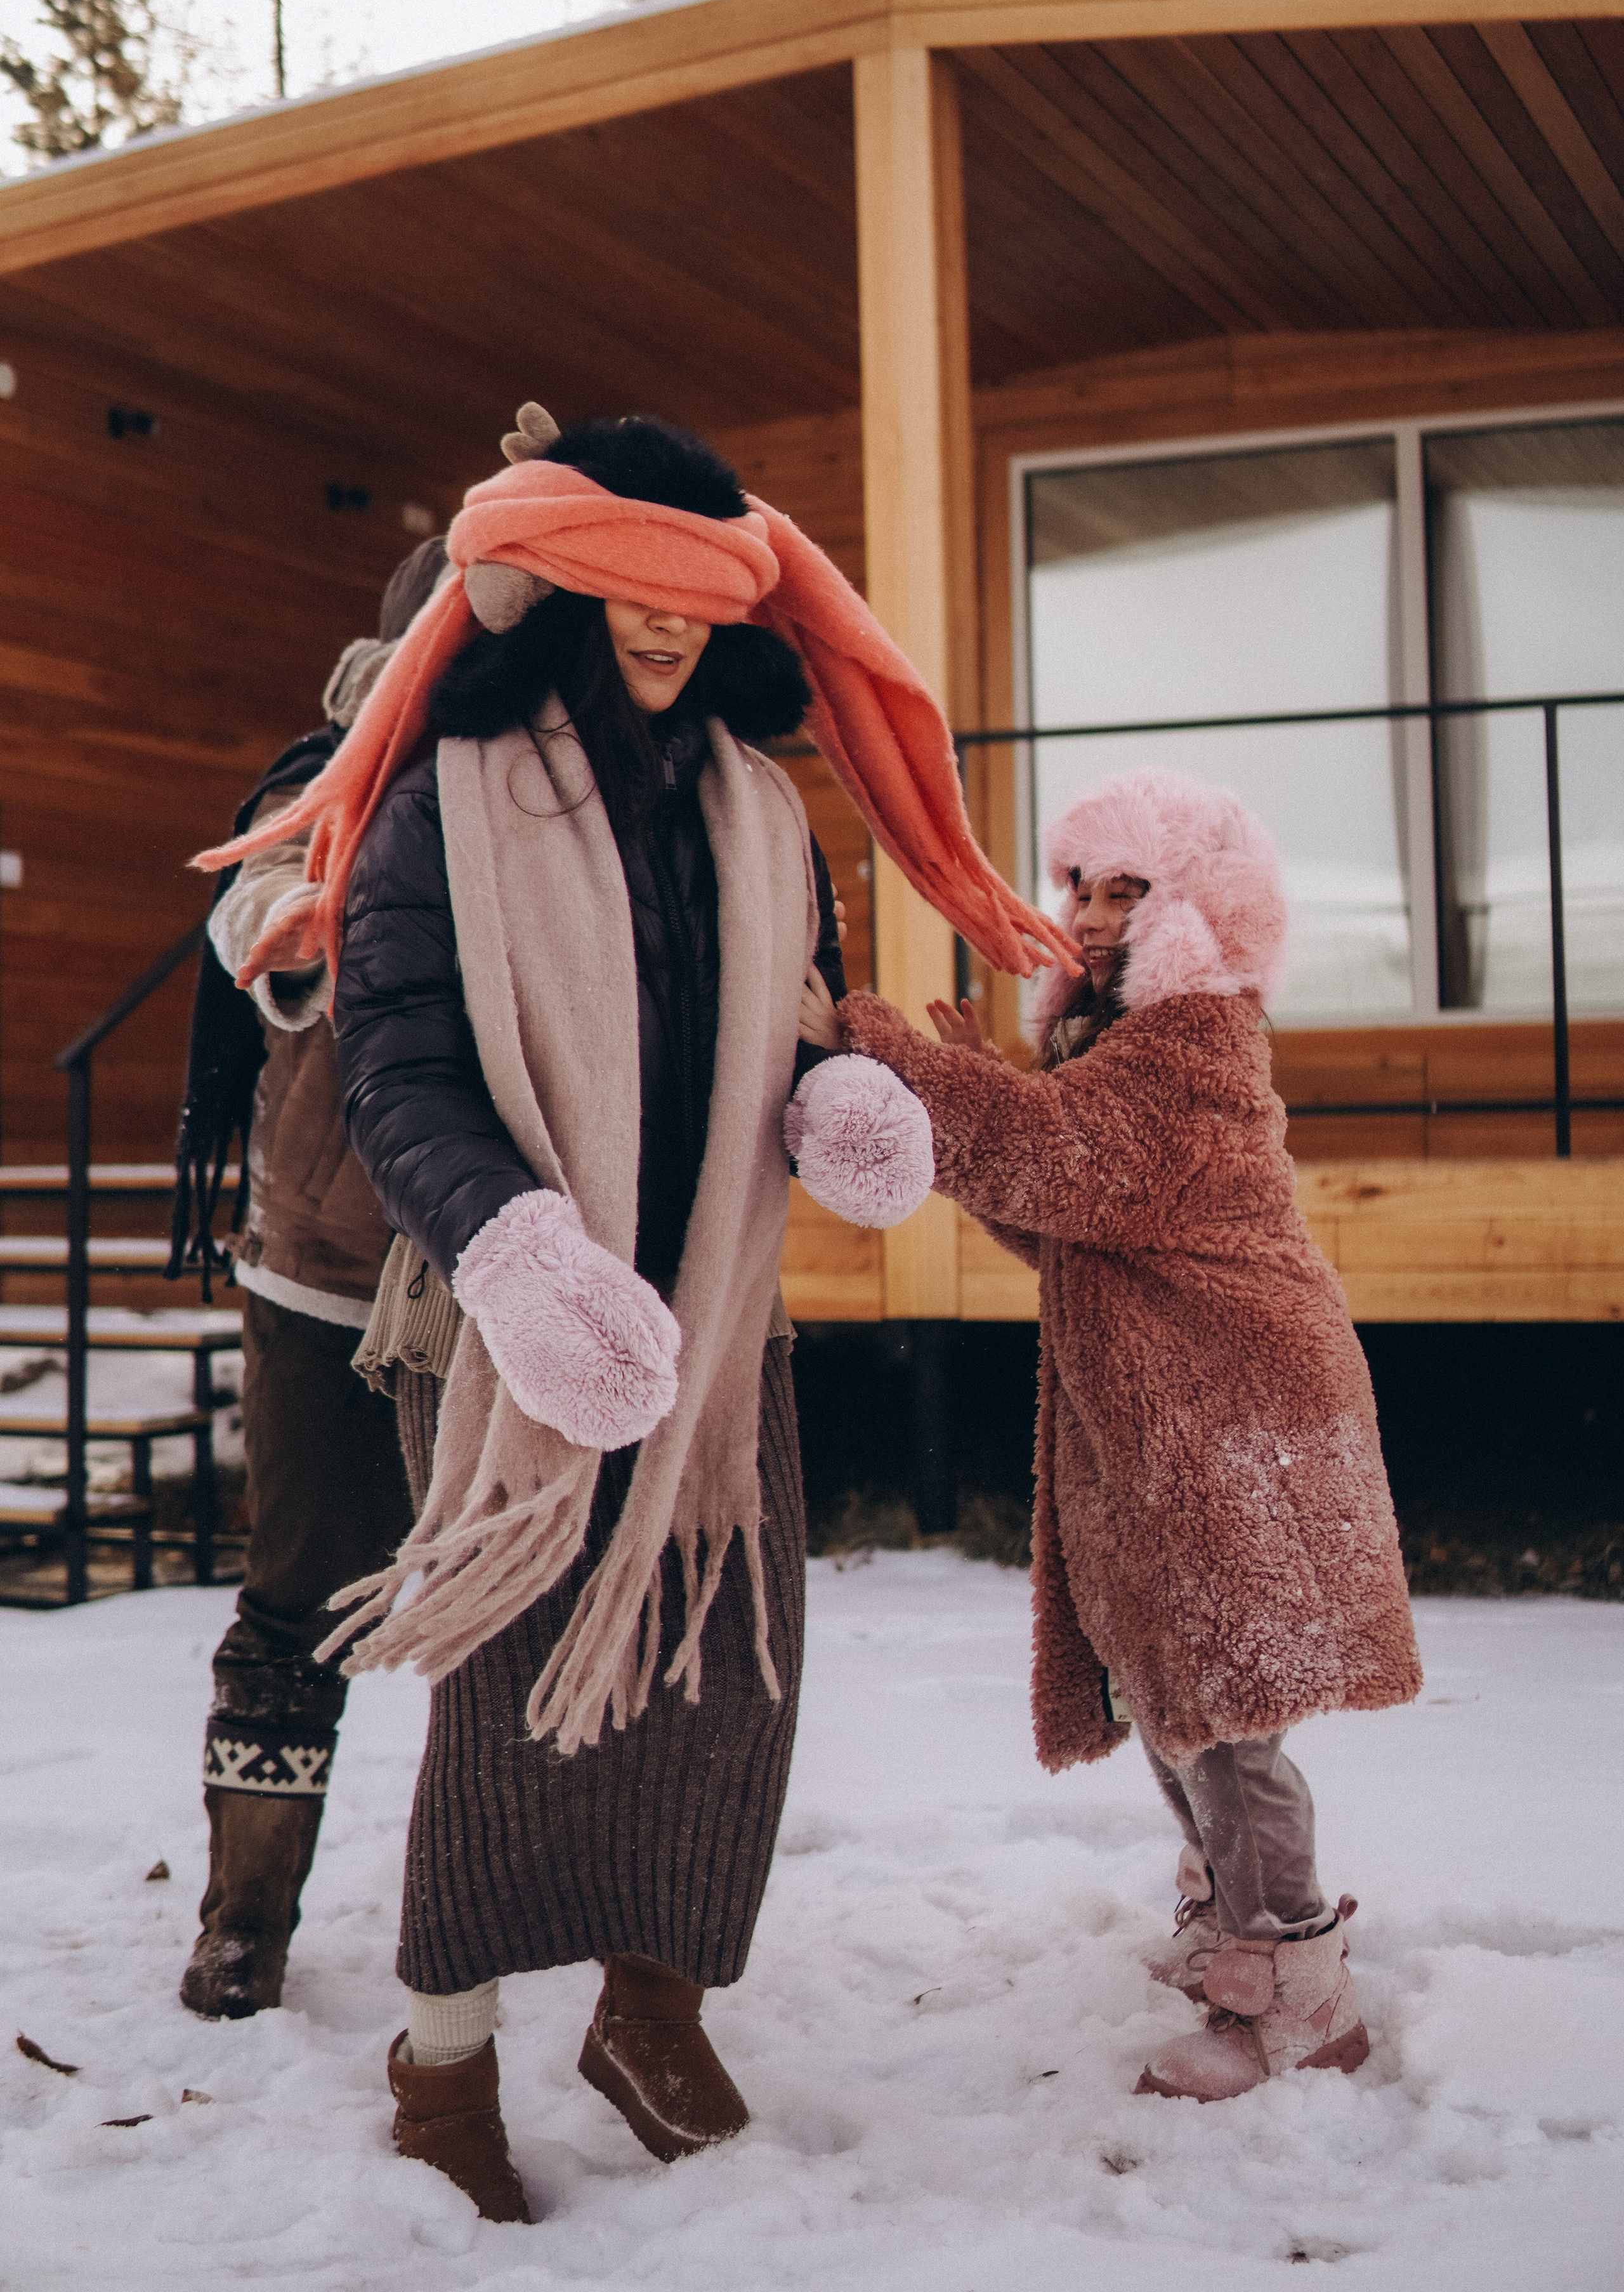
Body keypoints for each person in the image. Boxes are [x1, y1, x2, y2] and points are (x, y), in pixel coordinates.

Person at [193, 404, 1066, 2221]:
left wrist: (839, 1105)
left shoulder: (759, 807)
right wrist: (516, 1252)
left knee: (720, 1678)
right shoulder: (448, 800)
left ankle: (652, 2006)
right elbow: (404, 1067)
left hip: (720, 1330)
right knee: (514, 1694)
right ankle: (444, 2059)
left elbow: (805, 1012)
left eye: (691, 602)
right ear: (562, 596)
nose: (661, 630)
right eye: (626, 596)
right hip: (515, 1320)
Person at [808, 764, 1423, 2103]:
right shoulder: (1109, 1052)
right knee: (1169, 1688)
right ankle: (1227, 1919)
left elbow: (1060, 1156)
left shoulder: (1191, 1045)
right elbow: (1055, 1208)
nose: (1086, 914)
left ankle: (1297, 1990)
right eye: (1078, 884)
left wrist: (875, 1042)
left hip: (1233, 1415)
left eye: (1125, 889)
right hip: (1165, 1426)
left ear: (1200, 910)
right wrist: (968, 1084)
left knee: (1228, 1711)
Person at [169, 540, 445, 2021]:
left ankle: (507, 1910)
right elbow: (260, 908)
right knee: (297, 1606)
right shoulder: (328, 775)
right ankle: (244, 1917)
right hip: (331, 1274)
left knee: (522, 1613)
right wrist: (300, 927)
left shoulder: (563, 777)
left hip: (513, 1279)